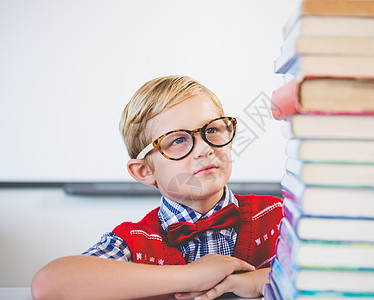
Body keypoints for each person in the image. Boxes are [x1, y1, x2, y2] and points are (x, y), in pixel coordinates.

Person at [31, 75, 283, 300]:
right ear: (145, 171)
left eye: (212, 129)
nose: (205, 148)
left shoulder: (279, 217)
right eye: (178, 140)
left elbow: (323, 269)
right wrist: (192, 276)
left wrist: (265, 280)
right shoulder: (136, 242)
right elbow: (50, 285)